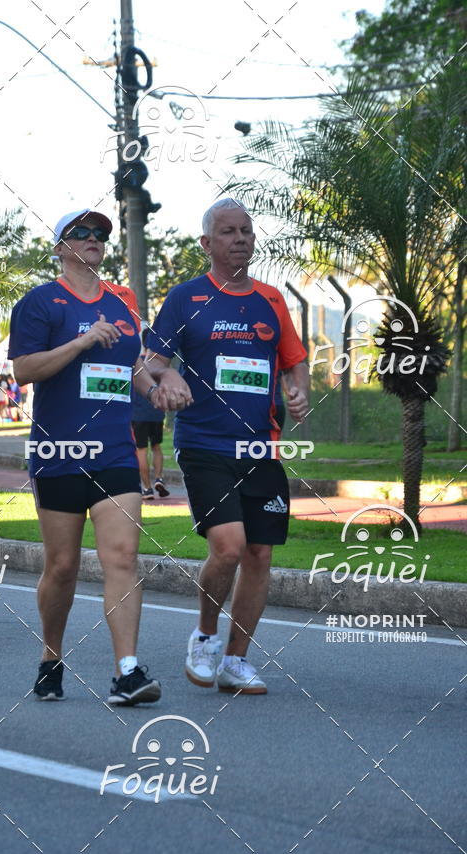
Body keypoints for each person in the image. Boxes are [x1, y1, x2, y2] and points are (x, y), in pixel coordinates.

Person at [9, 208, 183, 706]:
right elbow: (24, 369)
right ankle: (50, 657)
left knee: (123, 558)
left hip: (114, 453)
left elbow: (131, 367)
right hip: (58, 452)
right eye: (80, 233)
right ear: (60, 246)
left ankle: (127, 672)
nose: (93, 239)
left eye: (100, 233)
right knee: (61, 566)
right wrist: (82, 340)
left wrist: (156, 391)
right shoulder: (41, 303)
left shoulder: (123, 308)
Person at [146, 198, 309, 695]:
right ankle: (204, 636)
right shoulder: (186, 298)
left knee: (259, 552)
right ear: (207, 243)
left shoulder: (272, 300)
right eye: (228, 231)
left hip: (261, 447)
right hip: (203, 442)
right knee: (230, 546)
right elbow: (148, 361)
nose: (240, 238)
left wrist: (298, 388)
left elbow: (293, 360)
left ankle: (237, 661)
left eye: (246, 231)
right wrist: (166, 373)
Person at [132, 328, 170, 500]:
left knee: (141, 450)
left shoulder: (135, 362)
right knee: (156, 447)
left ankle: (146, 489)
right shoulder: (159, 365)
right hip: (156, 412)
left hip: (138, 414)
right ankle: (159, 478)